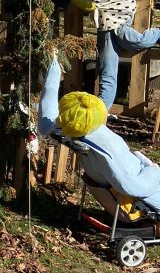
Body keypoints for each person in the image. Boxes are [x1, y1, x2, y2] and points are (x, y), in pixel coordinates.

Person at [38, 53, 160, 212]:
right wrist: (154, 169)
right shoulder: (109, 147)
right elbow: (130, 186)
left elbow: (45, 120)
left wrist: (54, 69)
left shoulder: (69, 128)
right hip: (146, 189)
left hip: (116, 175)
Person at [72, 0, 160, 110]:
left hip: (117, 28)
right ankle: (99, 112)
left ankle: (98, 112)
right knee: (108, 74)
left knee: (111, 71)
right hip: (107, 32)